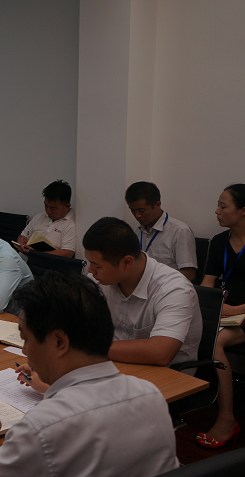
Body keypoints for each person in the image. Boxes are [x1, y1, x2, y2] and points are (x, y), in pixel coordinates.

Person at [0, 273, 178, 477]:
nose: (25, 351)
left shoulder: (42, 427)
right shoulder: (151, 395)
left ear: (59, 342)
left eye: (26, 339)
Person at [83, 217, 202, 367]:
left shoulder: (174, 289)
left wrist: (89, 348)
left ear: (127, 262)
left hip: (167, 373)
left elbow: (160, 352)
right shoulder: (98, 280)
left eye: (97, 266)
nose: (90, 271)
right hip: (115, 363)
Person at [197, 183, 245, 448]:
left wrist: (235, 310)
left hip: (239, 315)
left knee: (215, 342)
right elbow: (208, 282)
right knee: (190, 330)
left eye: (223, 206)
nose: (216, 211)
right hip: (224, 313)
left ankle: (227, 418)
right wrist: (211, 304)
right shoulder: (218, 242)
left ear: (243, 210)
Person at [125, 181, 197, 281]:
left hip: (166, 286)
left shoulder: (180, 231)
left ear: (157, 205)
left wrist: (152, 279)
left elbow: (189, 274)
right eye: (133, 210)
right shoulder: (136, 230)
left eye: (141, 210)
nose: (137, 215)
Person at [15, 179, 75, 257]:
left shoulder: (71, 224)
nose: (48, 211)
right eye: (46, 206)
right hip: (21, 259)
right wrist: (21, 240)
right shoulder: (40, 216)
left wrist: (35, 254)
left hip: (43, 263)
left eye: (53, 208)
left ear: (67, 206)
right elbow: (22, 236)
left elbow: (67, 253)